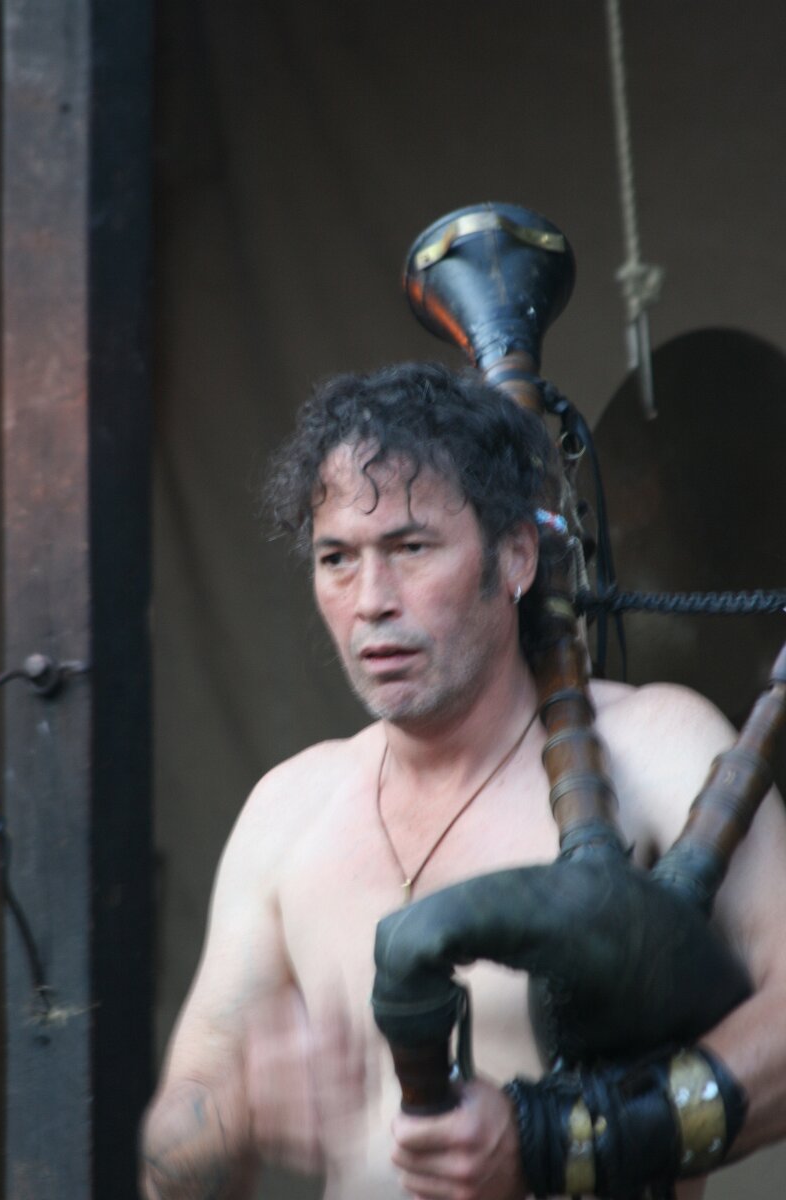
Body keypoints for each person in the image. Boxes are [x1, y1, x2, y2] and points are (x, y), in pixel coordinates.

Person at [140, 362, 786, 1200]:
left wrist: (557, 1141)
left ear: (515, 555)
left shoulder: (655, 746)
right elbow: (167, 1167)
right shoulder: (289, 809)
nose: (371, 600)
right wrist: (238, 1115)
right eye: (337, 558)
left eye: (410, 548)